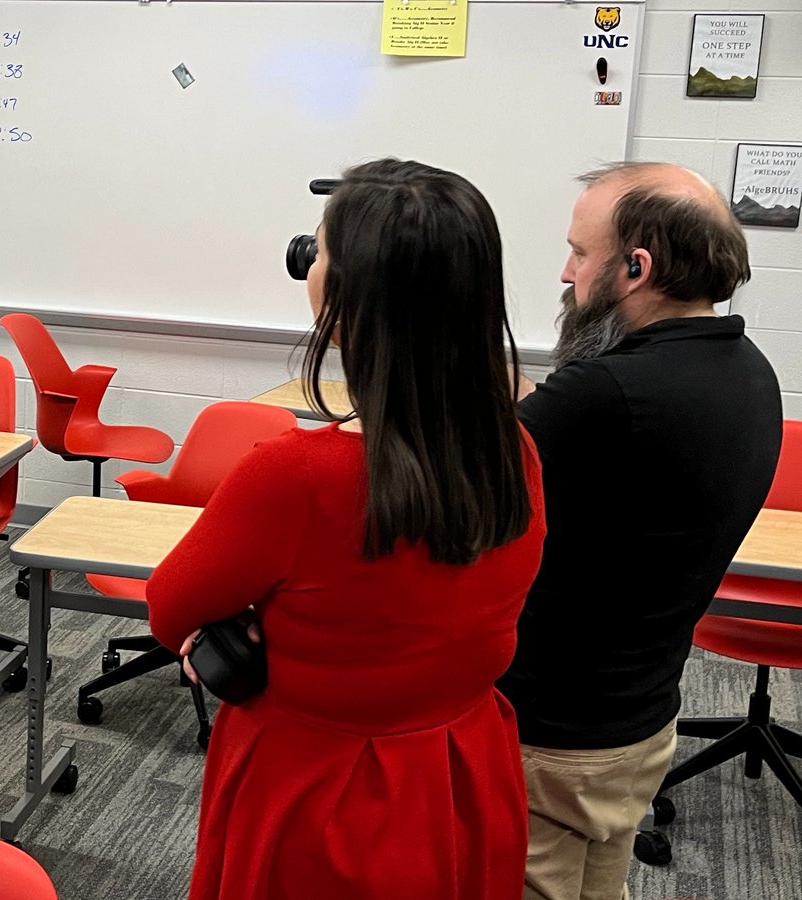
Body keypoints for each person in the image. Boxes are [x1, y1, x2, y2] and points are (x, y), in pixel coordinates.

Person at [146, 158, 547, 899]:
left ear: (350, 294)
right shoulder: (514, 451)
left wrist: (243, 627)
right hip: (463, 772)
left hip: (319, 793)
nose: (309, 262)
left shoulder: (295, 475)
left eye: (321, 251)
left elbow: (171, 608)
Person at [496, 161, 782, 900]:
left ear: (636, 266)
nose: (567, 273)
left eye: (579, 253)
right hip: (639, 719)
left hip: (548, 737)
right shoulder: (747, 370)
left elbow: (461, 487)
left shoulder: (608, 394)